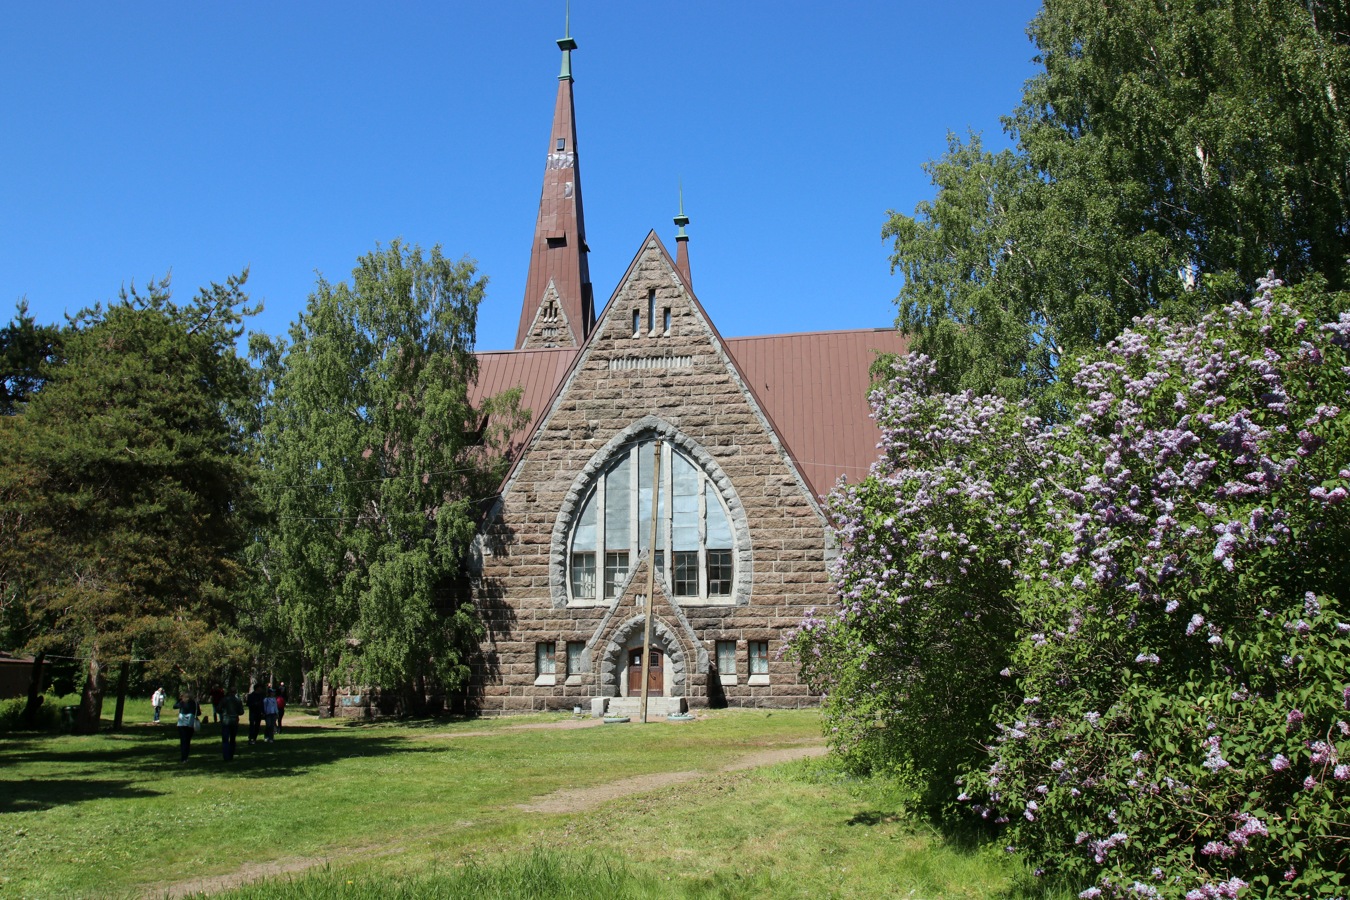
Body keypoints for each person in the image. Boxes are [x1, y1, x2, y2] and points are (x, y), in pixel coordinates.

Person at [172, 692, 202, 763]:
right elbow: (199, 713)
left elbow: (174, 706)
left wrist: (179, 700)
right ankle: (186, 757)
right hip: (190, 723)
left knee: (183, 741)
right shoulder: (194, 703)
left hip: (181, 724)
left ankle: (183, 757)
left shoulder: (182, 703)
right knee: (188, 741)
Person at [219, 689, 245, 761]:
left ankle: (226, 756)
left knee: (225, 739)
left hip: (226, 720)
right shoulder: (238, 700)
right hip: (234, 720)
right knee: (232, 739)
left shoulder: (224, 700)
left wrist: (223, 712)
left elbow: (218, 709)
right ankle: (231, 754)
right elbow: (241, 712)